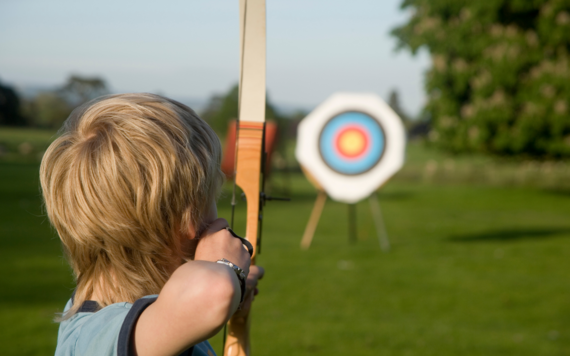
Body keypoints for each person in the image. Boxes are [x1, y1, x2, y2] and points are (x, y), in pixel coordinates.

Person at [40, 93, 264, 356]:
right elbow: (215, 291)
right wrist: (229, 270)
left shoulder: (141, 317)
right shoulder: (101, 336)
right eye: (211, 198)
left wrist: (236, 284)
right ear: (188, 219)